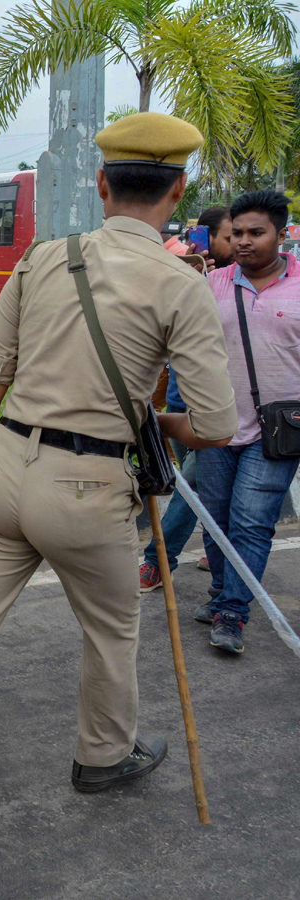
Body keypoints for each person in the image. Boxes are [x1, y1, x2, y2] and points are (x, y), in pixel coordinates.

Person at [0, 112, 238, 837]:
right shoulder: (181, 283)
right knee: (110, 629)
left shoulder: (45, 258)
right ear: (180, 191)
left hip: (8, 464)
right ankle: (103, 755)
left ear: (102, 185)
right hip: (91, 484)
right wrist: (151, 422)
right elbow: (217, 426)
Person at [195, 189, 300, 655]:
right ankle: (221, 593)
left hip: (280, 431)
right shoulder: (213, 284)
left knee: (251, 524)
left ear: (282, 233)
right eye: (236, 232)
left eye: (256, 233)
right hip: (216, 424)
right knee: (215, 520)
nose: (243, 241)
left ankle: (234, 613)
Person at [139, 204, 234, 592]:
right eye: (232, 236)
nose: (240, 243)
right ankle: (219, 547)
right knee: (203, 484)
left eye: (247, 235)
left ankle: (158, 560)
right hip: (180, 404)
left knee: (192, 483)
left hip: (222, 412)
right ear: (206, 238)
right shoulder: (189, 274)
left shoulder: (252, 282)